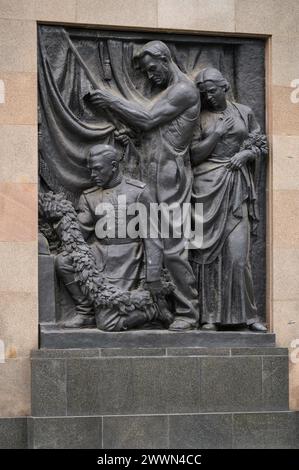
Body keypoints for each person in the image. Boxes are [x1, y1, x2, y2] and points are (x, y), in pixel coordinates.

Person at [86, 40, 200, 331]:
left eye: (152, 69)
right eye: (146, 72)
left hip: (170, 182)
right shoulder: (165, 92)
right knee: (144, 244)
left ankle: (188, 311)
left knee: (172, 248)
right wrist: (133, 140)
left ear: (166, 59)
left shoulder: (184, 89)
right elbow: (154, 134)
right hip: (147, 178)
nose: (150, 76)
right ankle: (152, 305)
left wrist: (111, 100)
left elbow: (148, 118)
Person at [54, 144, 172, 331]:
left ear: (114, 166)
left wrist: (153, 275)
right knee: (64, 261)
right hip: (100, 253)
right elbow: (79, 234)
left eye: (98, 169)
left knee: (108, 324)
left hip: (129, 258)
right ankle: (86, 312)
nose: (93, 174)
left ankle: (153, 310)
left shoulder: (138, 192)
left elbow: (153, 236)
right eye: (91, 169)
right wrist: (60, 215)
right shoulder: (89, 197)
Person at [190, 67, 267, 332]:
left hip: (236, 187)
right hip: (207, 187)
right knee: (206, 255)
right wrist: (216, 134)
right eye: (203, 93)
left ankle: (249, 316)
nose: (208, 97)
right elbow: (193, 156)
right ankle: (208, 316)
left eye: (212, 91)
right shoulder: (198, 118)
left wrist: (247, 155)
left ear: (224, 87)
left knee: (238, 256)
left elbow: (259, 142)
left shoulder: (244, 112)